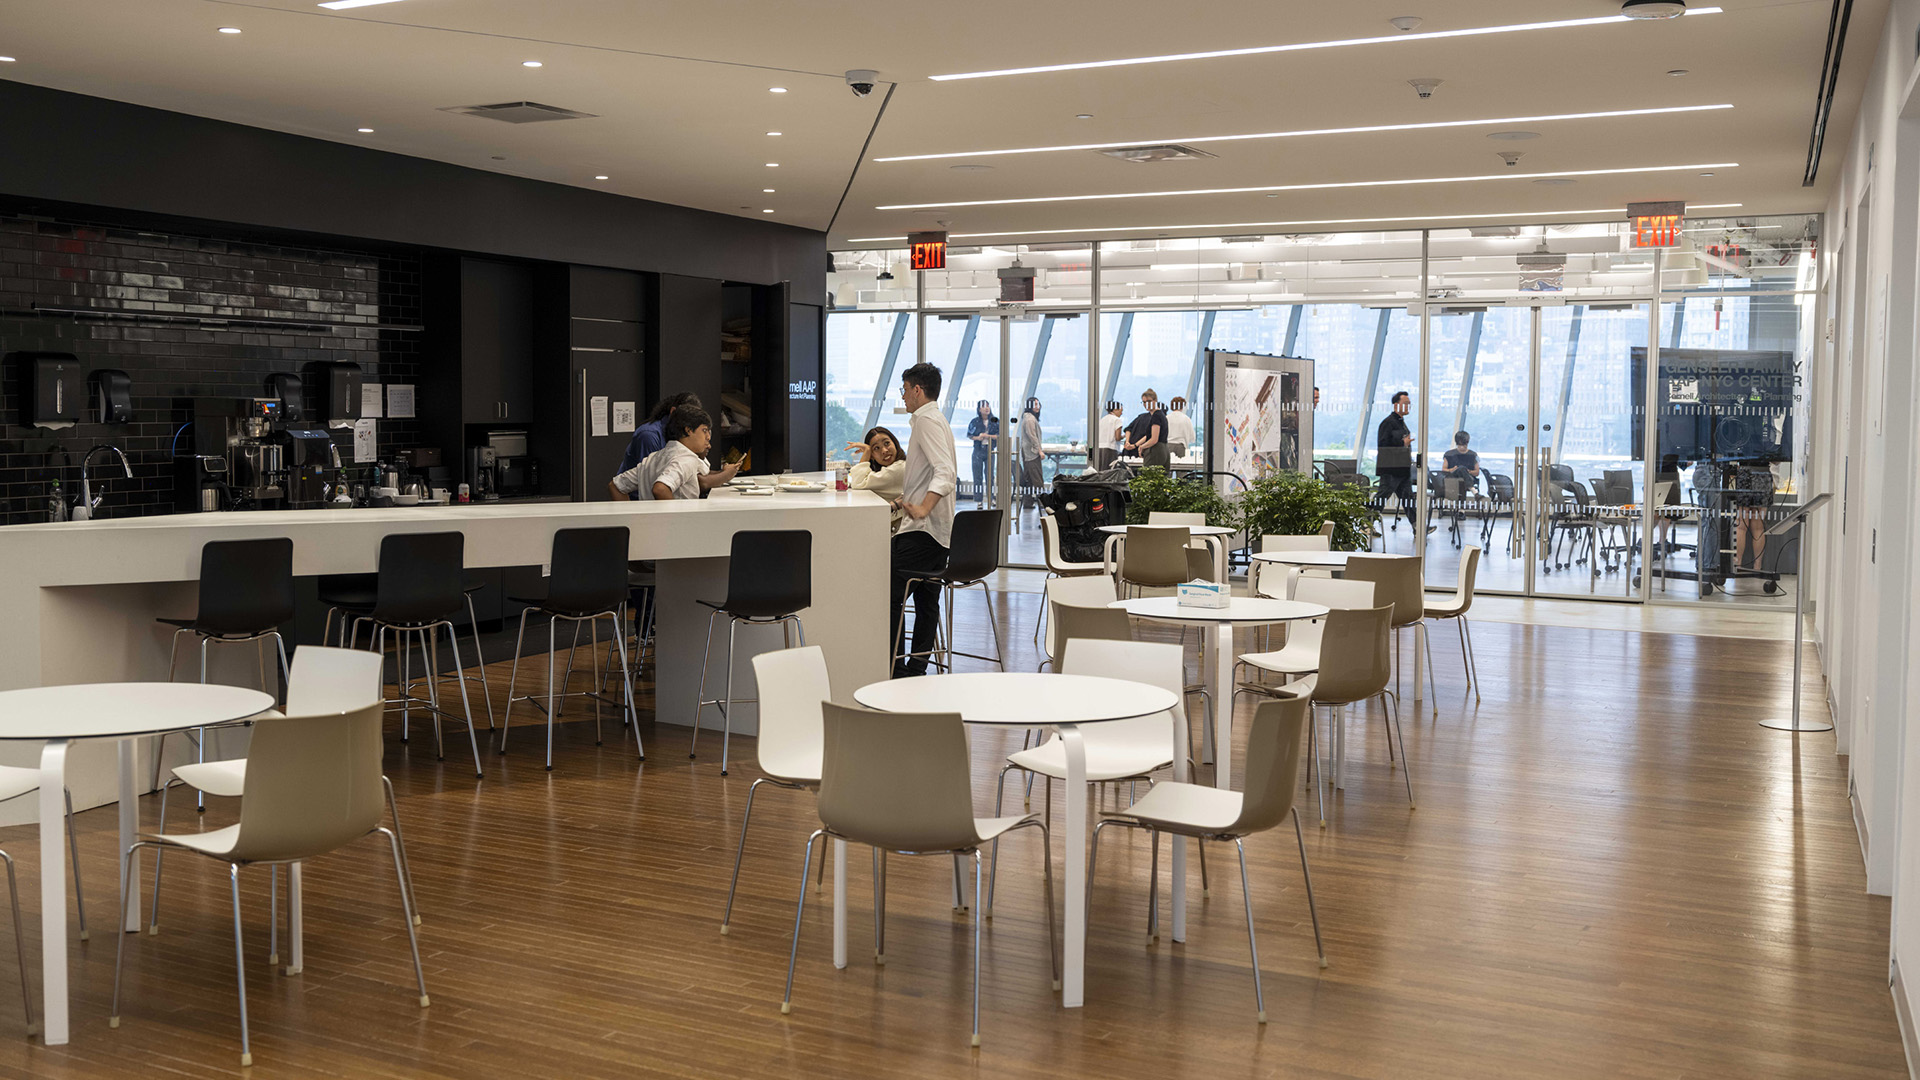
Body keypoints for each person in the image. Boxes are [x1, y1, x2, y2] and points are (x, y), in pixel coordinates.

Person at [889, 362, 956, 679]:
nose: (903, 396)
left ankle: (894, 669)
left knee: (889, 599)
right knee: (928, 601)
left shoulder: (926, 421)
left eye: (904, 389)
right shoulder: (937, 419)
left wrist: (923, 507)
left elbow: (945, 473)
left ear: (917, 389)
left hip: (922, 530)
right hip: (937, 532)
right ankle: (915, 669)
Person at [607, 404, 738, 501]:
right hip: (678, 531)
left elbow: (616, 485)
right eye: (704, 430)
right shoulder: (686, 459)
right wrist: (673, 522)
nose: (708, 437)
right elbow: (660, 488)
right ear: (688, 430)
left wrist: (631, 519)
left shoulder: (654, 458)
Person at [618, 392, 702, 472]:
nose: (690, 426)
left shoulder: (681, 433)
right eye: (687, 419)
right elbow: (649, 476)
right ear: (673, 412)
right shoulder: (649, 435)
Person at [848, 426, 906, 531]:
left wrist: (866, 451)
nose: (884, 450)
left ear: (895, 444)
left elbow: (858, 483)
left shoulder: (899, 468)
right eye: (876, 448)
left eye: (887, 443)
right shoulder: (892, 468)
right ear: (873, 456)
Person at [1375, 390, 1415, 516]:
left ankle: (1417, 527)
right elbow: (1383, 445)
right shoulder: (1388, 423)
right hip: (1391, 469)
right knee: (1382, 497)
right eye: (1405, 403)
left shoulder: (1401, 422)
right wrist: (1402, 444)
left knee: (1409, 499)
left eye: (1409, 404)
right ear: (1396, 404)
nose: (1408, 406)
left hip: (1402, 468)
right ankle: (1367, 524)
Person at [965, 399, 999, 504]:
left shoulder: (995, 421)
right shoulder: (975, 421)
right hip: (978, 450)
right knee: (977, 476)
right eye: (984, 406)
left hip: (990, 450)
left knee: (990, 476)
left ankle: (991, 498)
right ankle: (978, 500)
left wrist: (986, 436)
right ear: (979, 409)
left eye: (988, 406)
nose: (986, 408)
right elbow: (970, 435)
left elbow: (999, 435)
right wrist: (977, 438)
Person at [1125, 390, 1170, 470]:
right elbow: (1149, 436)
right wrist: (1136, 445)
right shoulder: (1160, 415)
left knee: (1149, 477)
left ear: (1155, 400)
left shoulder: (1156, 416)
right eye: (1144, 402)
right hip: (1164, 449)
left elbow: (1154, 439)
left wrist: (1142, 447)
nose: (1146, 404)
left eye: (1149, 401)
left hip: (1156, 450)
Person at [1018, 397, 1044, 509]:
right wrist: (1039, 451)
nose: (1037, 407)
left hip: (1028, 452)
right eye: (1035, 405)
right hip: (1031, 453)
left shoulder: (1029, 418)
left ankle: (1028, 502)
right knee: (1037, 478)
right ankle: (1043, 503)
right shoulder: (1029, 419)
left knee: (1029, 479)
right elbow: (1032, 436)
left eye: (1038, 404)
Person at [1442, 430, 1480, 495]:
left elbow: (1477, 472)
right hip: (1453, 478)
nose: (1462, 447)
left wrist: (1468, 472)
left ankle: (1471, 489)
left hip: (1468, 478)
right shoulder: (1449, 454)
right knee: (1461, 468)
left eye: (1464, 444)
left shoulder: (1473, 455)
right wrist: (1452, 470)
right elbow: (1444, 469)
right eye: (1460, 444)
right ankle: (1473, 490)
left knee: (1462, 469)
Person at [1095, 400, 1124, 470]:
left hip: (1099, 448)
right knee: (1109, 473)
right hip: (1110, 449)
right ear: (1115, 410)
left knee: (1100, 471)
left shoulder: (1102, 420)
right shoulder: (1117, 420)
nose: (1121, 413)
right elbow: (1117, 437)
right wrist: (1125, 436)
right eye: (1121, 410)